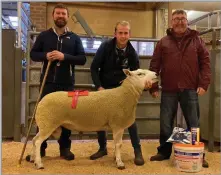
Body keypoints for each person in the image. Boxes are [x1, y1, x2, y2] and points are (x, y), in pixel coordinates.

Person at [149, 9, 211, 162]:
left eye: (182, 18)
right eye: (176, 19)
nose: (180, 21)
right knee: (165, 123)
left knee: (194, 124)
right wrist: (153, 86)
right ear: (172, 22)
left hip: (190, 88)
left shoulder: (197, 40)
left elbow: (206, 63)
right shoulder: (163, 42)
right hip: (169, 89)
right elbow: (154, 65)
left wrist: (204, 83)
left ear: (187, 21)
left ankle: (198, 154)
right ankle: (163, 152)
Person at [90, 21, 152, 166]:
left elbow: (137, 77)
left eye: (126, 33)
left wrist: (146, 86)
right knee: (100, 118)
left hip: (123, 93)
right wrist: (99, 87)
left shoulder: (132, 53)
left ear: (129, 34)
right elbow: (94, 68)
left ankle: (137, 151)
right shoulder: (105, 47)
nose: (123, 36)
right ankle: (102, 148)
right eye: (120, 33)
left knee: (130, 120)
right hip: (104, 89)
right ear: (115, 34)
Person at [30, 3, 86, 160]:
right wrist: (45, 56)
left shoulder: (74, 38)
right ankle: (40, 149)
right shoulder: (44, 36)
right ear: (53, 16)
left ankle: (65, 149)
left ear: (68, 17)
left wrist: (64, 57)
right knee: (44, 116)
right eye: (58, 13)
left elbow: (82, 59)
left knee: (67, 117)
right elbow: (33, 54)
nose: (61, 16)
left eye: (63, 14)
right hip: (47, 83)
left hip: (66, 84)